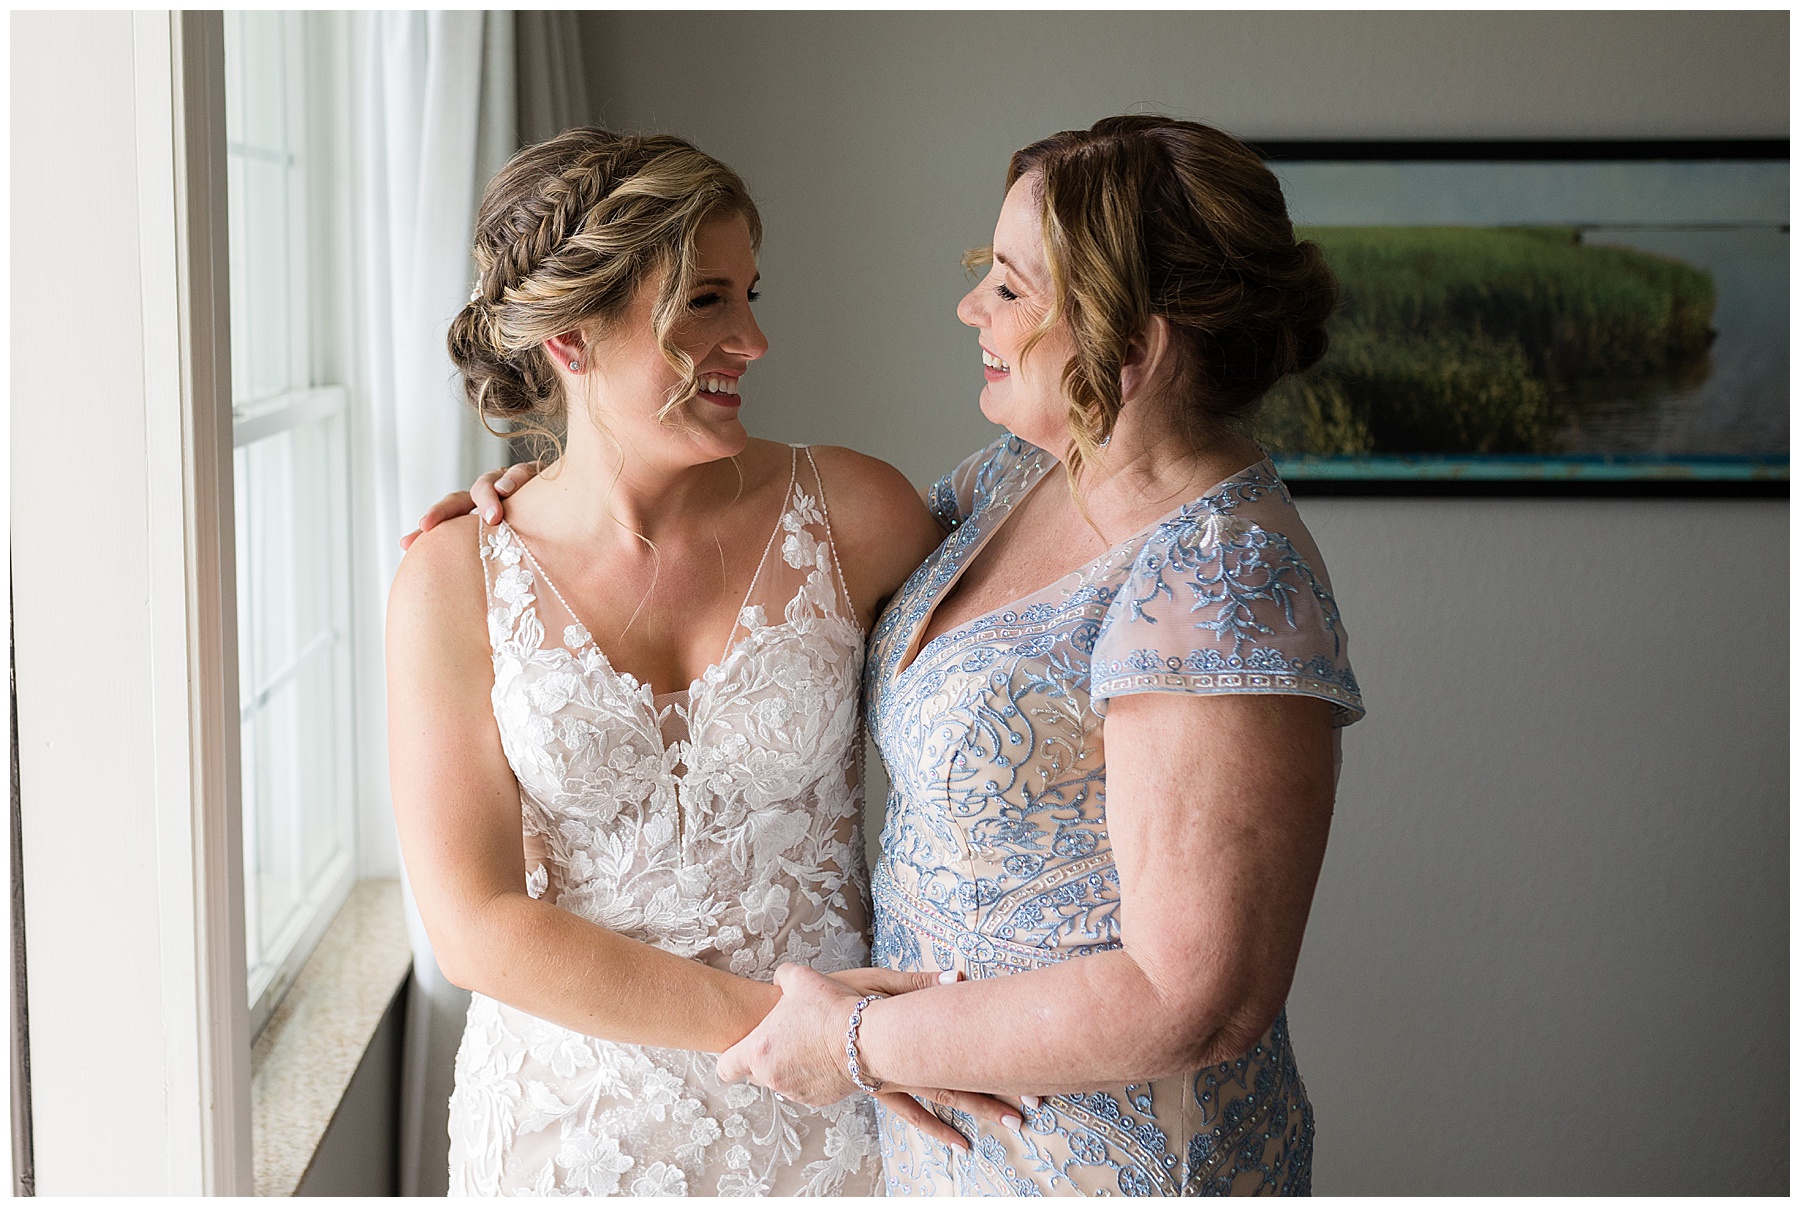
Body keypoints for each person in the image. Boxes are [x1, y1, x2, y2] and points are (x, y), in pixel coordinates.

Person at [429, 114, 1365, 1196]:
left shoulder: (1222, 577)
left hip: (1082, 1154)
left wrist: (857, 1042)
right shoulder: (1007, 487)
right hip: (852, 1136)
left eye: (1010, 288)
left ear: (1133, 345)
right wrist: (522, 526)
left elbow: (1197, 993)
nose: (973, 308)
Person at [387, 127, 1014, 1198]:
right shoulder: (454, 577)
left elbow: (1009, 696)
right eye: (708, 302)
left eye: (751, 294)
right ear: (571, 337)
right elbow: (476, 928)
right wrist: (796, 1024)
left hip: (826, 1136)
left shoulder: (857, 514)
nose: (756, 339)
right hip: (565, 1134)